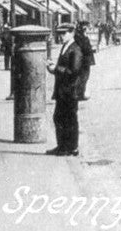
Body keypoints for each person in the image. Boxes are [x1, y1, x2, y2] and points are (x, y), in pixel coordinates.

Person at [46, 23, 83, 156]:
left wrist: (55, 69)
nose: (61, 36)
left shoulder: (75, 49)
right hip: (64, 90)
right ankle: (64, 146)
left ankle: (70, 147)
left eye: (64, 33)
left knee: (68, 119)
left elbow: (74, 70)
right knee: (61, 118)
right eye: (60, 34)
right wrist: (54, 68)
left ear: (72, 33)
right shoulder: (66, 46)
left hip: (70, 90)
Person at [75, 21, 95, 100]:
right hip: (83, 60)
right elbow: (83, 47)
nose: (87, 29)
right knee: (83, 77)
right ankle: (80, 94)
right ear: (83, 27)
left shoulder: (82, 35)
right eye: (86, 27)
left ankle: (81, 93)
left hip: (86, 59)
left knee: (85, 77)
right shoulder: (79, 36)